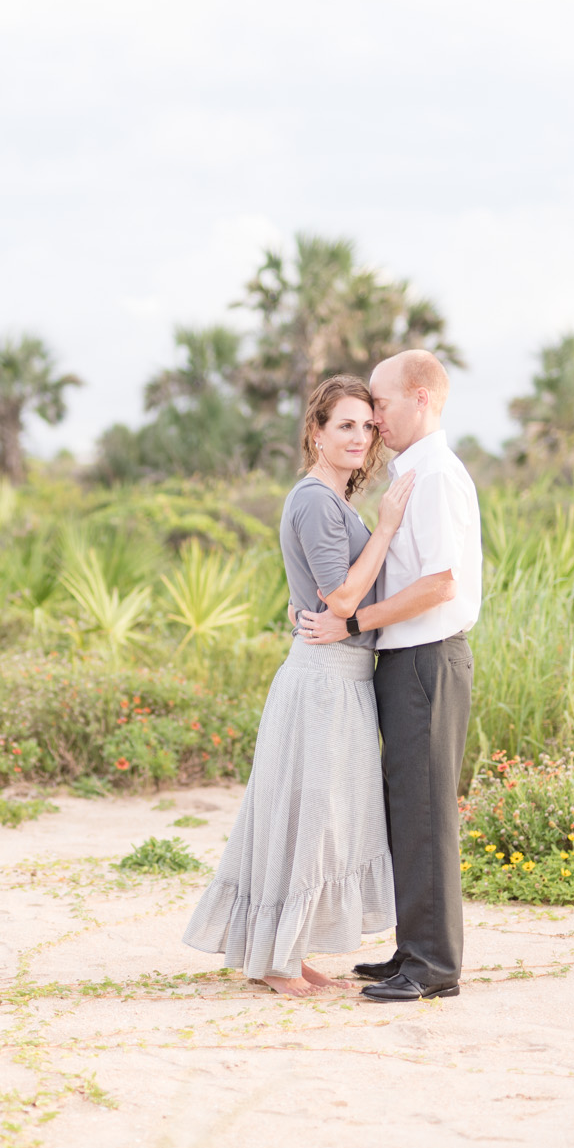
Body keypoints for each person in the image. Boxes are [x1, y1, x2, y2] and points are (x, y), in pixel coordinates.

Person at [182, 376, 417, 996]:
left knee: (317, 815)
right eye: (344, 424)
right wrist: (388, 528)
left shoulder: (331, 502)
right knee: (308, 814)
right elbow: (339, 596)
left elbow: (317, 594)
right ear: (315, 432)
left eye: (367, 427)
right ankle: (276, 960)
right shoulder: (315, 499)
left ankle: (285, 951)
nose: (359, 437)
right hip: (323, 682)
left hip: (338, 678)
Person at [298, 349, 481, 1002]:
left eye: (381, 403)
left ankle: (433, 966)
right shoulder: (413, 472)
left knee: (427, 811)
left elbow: (439, 582)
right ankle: (413, 949)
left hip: (427, 656)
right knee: (408, 806)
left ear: (420, 399)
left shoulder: (433, 476)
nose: (373, 418)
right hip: (404, 658)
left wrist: (351, 622)